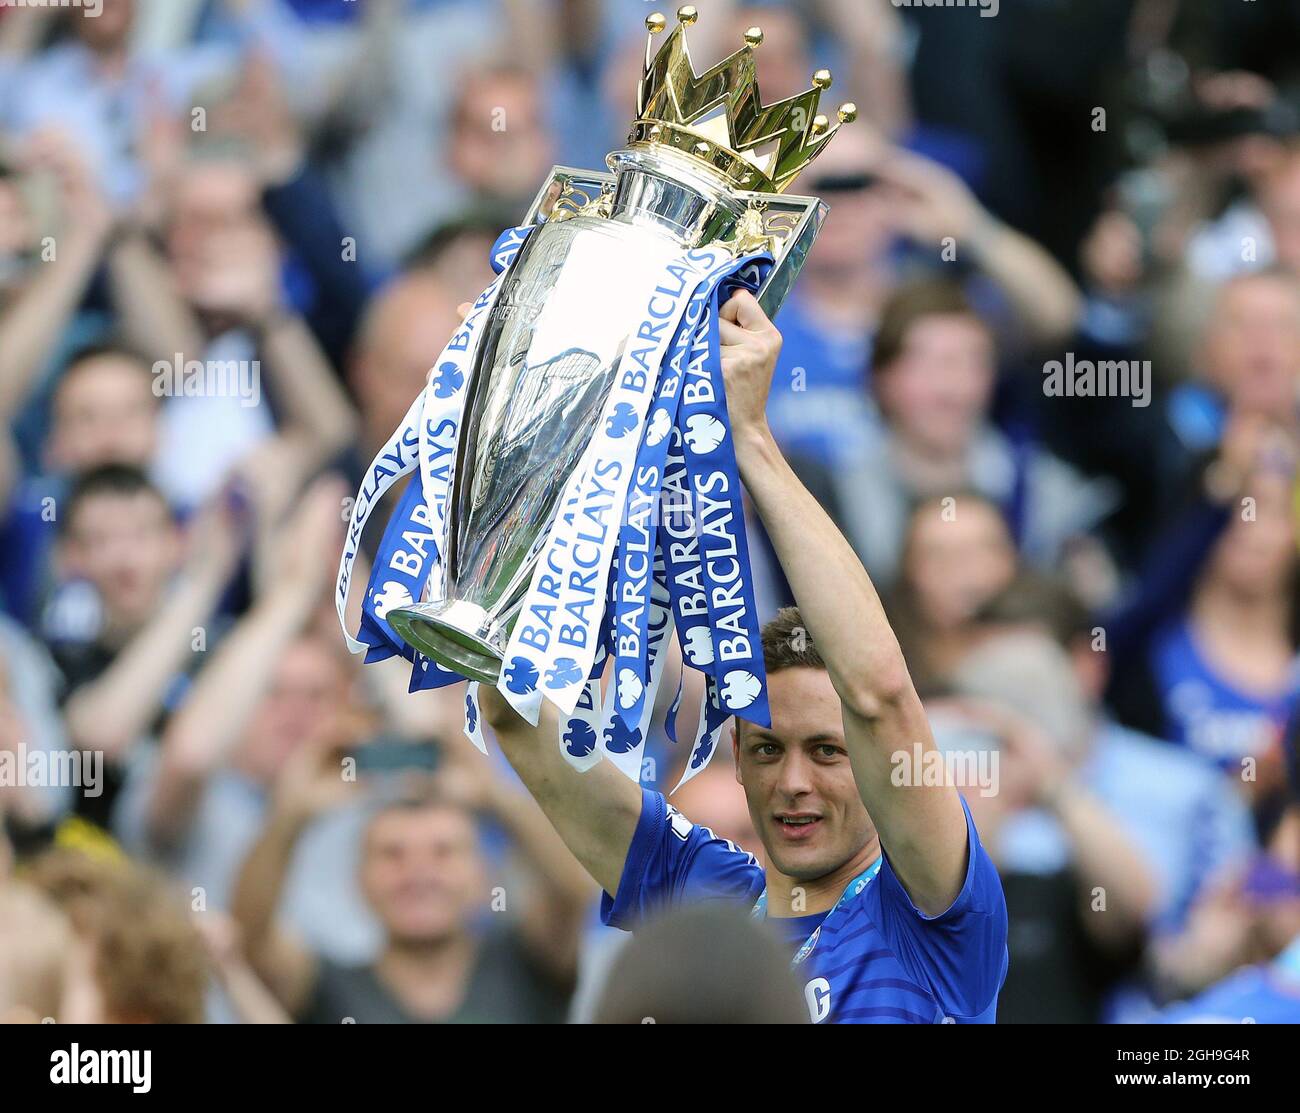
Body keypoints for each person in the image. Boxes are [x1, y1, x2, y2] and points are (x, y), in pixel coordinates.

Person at [479, 288, 1008, 1025]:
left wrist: (750, 436)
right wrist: (565, 454)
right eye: (766, 747)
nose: (792, 782)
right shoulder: (707, 895)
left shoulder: (932, 914)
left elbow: (881, 693)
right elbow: (512, 714)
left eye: (827, 749)